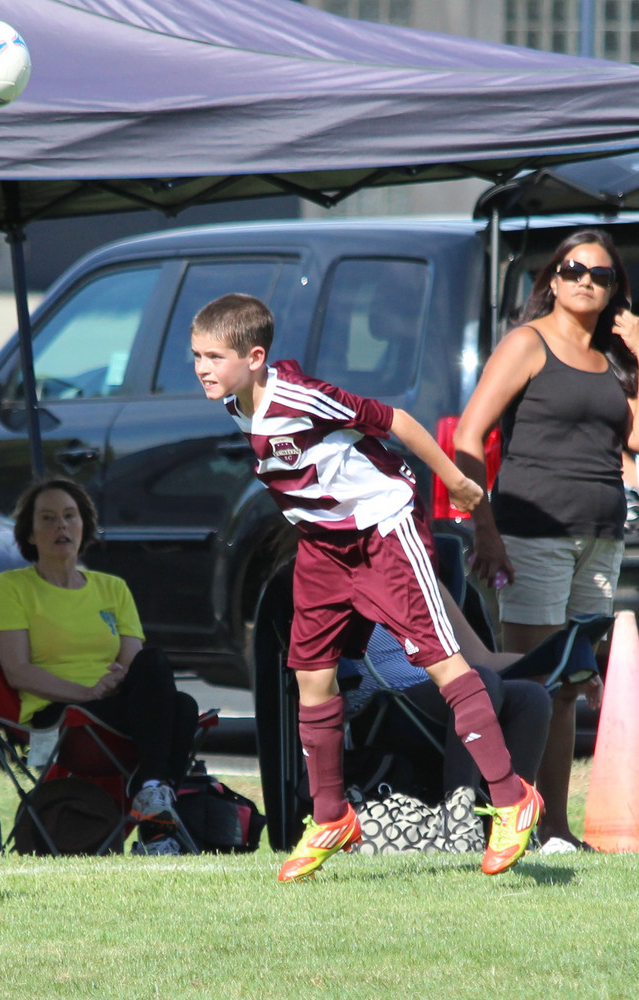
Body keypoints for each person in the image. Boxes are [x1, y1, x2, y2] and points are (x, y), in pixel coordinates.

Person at [190, 292, 539, 881]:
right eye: (197, 355)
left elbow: (395, 420)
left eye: (214, 357)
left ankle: (511, 798)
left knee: (443, 663)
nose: (202, 367)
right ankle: (331, 816)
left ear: (254, 358)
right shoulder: (234, 401)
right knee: (311, 674)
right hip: (323, 546)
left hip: (383, 533)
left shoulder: (301, 397)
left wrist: (455, 481)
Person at [453, 229, 639, 851]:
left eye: (601, 275)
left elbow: (637, 440)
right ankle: (510, 820)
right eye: (574, 269)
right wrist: (486, 528)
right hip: (532, 535)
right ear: (554, 280)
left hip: (600, 540)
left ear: (615, 291)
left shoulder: (614, 359)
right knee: (534, 682)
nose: (586, 281)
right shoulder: (527, 344)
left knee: (572, 682)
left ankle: (554, 826)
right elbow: (469, 436)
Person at [0, 477, 200, 855]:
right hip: (62, 716)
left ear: (84, 526)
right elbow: (17, 671)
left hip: (112, 704)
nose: (61, 526)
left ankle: (152, 807)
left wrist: (113, 682)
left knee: (176, 693)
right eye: (48, 518)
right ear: (30, 534)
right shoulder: (11, 587)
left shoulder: (112, 587)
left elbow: (133, 662)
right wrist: (86, 692)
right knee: (178, 709)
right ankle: (156, 823)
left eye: (70, 516)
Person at [338, 581, 552, 801]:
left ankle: (513, 814)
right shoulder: (335, 574)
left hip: (442, 686)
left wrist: (554, 659)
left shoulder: (418, 574)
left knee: (530, 696)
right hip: (380, 707)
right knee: (477, 683)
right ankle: (458, 811)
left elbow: (481, 659)